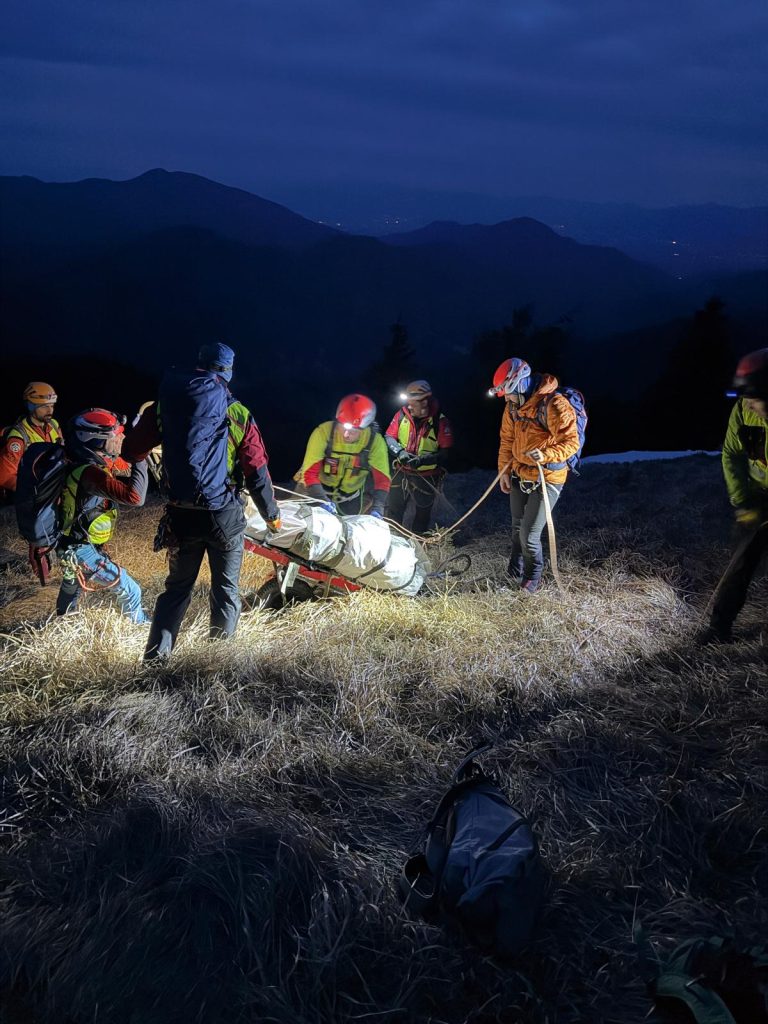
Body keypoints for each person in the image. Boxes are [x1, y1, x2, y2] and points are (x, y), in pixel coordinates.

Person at [124, 343, 280, 661]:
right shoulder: (237, 412)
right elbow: (257, 471)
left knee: (176, 589)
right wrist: (271, 515)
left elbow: (132, 450)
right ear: (227, 371)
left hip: (181, 514)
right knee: (225, 591)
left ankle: (155, 660)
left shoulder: (166, 405)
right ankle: (216, 664)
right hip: (224, 515)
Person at [491, 357, 579, 592]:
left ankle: (531, 580)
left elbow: (571, 442)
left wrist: (546, 454)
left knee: (529, 535)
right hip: (520, 473)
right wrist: (504, 472)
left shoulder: (555, 405)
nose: (507, 399)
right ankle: (514, 568)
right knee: (516, 527)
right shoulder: (512, 408)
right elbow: (507, 440)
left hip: (547, 478)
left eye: (508, 393)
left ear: (520, 384)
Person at [699, 347, 768, 644]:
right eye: (746, 399)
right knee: (739, 564)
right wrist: (743, 502)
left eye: (756, 399)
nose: (750, 406)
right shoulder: (743, 411)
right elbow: (732, 454)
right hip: (756, 498)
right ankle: (719, 628)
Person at [56, 408, 149, 623]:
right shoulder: (90, 473)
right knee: (130, 589)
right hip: (81, 549)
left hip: (71, 545)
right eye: (116, 435)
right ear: (98, 440)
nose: (121, 438)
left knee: (72, 589)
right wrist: (140, 458)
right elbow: (136, 497)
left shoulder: (87, 463)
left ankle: (63, 623)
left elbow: (123, 468)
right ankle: (141, 628)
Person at [295, 394, 391, 516]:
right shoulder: (323, 432)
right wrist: (322, 500)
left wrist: (378, 507)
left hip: (349, 499)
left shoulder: (375, 442)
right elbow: (309, 473)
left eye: (353, 431)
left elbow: (382, 480)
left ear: (364, 428)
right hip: (313, 491)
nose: (346, 434)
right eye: (343, 427)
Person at [385, 379, 453, 534]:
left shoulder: (440, 421)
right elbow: (389, 437)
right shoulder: (402, 415)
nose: (409, 406)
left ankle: (416, 546)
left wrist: (422, 461)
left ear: (424, 401)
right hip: (401, 472)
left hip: (427, 477)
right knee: (394, 510)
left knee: (422, 514)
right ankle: (392, 540)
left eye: (413, 402)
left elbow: (445, 453)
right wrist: (399, 452)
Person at [0, 381, 62, 493]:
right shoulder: (18, 438)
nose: (50, 411)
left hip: (53, 488)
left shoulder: (54, 425)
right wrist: (33, 492)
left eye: (51, 406)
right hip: (32, 498)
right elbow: (5, 476)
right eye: (44, 406)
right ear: (31, 406)